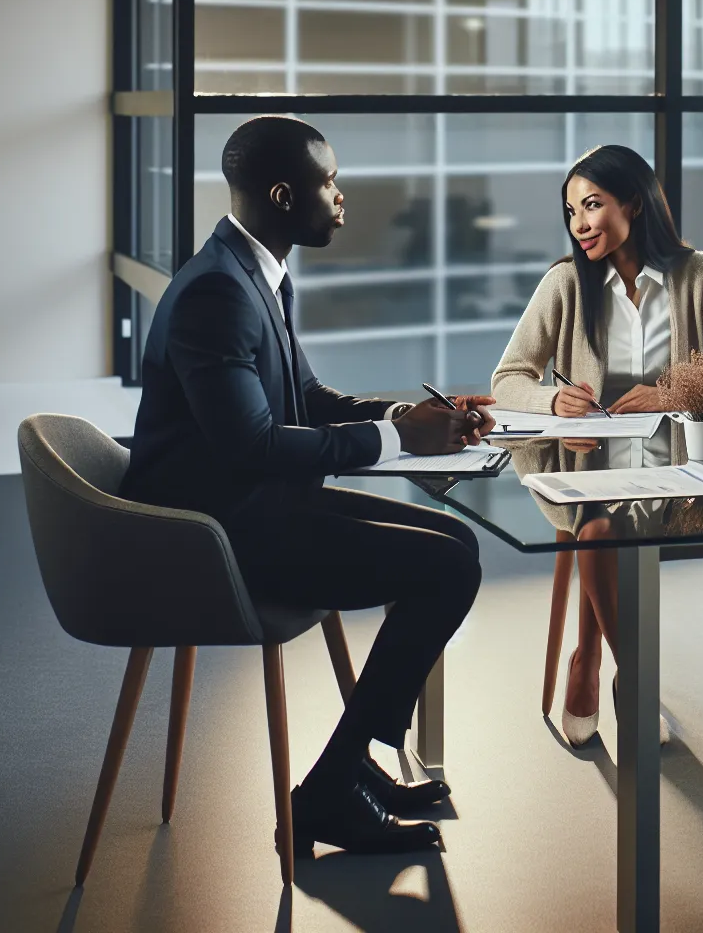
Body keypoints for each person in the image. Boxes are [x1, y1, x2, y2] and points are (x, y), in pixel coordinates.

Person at [121, 115, 496, 857]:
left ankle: (349, 766)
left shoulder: (251, 269)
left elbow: (306, 396)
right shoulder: (217, 293)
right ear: (284, 193)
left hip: (252, 509)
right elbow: (253, 443)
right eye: (329, 183)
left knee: (455, 539)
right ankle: (332, 787)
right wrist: (398, 441)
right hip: (213, 538)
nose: (342, 197)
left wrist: (407, 415)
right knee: (449, 566)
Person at [491, 145, 703, 768]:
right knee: (597, 526)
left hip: (690, 472)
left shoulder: (700, 274)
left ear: (633, 203)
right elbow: (508, 378)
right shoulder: (565, 283)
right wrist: (554, 405)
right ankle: (622, 672)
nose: (580, 223)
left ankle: (619, 659)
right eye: (571, 211)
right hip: (596, 468)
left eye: (593, 205)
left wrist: (670, 390)